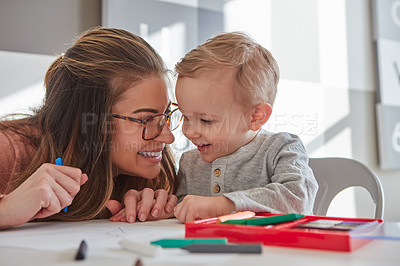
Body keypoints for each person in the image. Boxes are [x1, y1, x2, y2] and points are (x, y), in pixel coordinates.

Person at [0, 27, 181, 229]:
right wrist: (6, 209)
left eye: (165, 115)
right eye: (146, 119)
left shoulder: (149, 177)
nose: (168, 137)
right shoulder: (9, 150)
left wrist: (160, 210)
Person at [173, 32, 318, 223]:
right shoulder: (189, 163)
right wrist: (166, 208)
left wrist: (226, 204)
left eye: (206, 120)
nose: (188, 131)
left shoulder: (281, 148)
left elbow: (298, 199)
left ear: (255, 117)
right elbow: (182, 208)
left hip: (272, 251)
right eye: (185, 116)